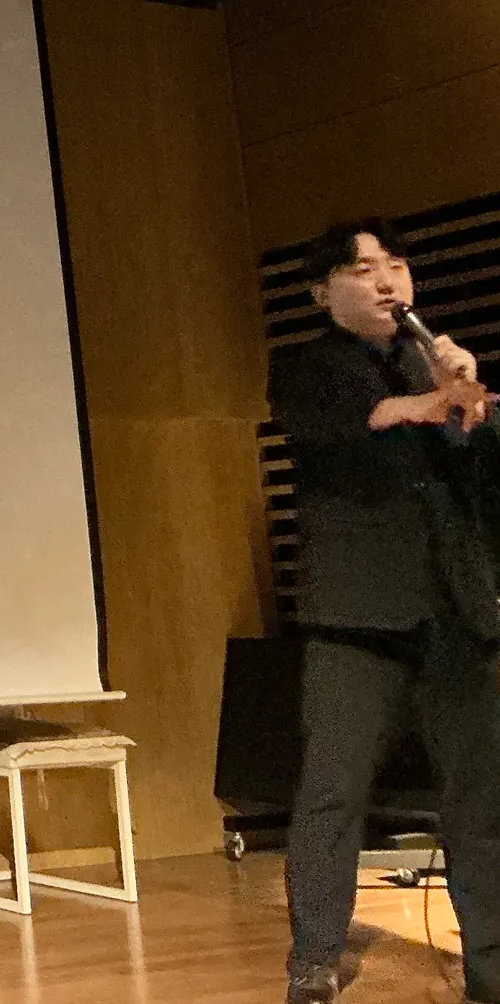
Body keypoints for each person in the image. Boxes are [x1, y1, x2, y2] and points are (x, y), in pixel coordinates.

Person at [269, 218, 500, 1003]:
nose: (386, 279)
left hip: (455, 614)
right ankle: (315, 959)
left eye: (396, 264)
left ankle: (490, 968)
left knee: (480, 803)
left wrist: (471, 396)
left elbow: (483, 475)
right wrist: (435, 399)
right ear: (321, 291)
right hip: (356, 619)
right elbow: (363, 422)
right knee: (333, 794)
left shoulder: (434, 365)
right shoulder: (305, 367)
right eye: (363, 268)